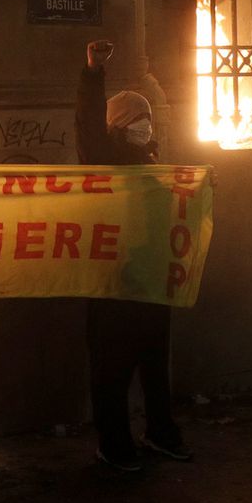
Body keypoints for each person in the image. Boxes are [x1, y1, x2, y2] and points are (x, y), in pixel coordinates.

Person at [77, 38, 190, 472]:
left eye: (148, 117)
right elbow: (87, 125)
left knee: (155, 364)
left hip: (150, 280)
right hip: (113, 281)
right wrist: (92, 73)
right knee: (112, 369)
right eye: (137, 119)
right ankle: (115, 442)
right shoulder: (103, 160)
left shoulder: (152, 161)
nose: (146, 124)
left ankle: (160, 431)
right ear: (120, 125)